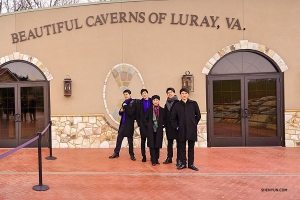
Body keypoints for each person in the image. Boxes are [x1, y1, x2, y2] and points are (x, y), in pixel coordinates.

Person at [170, 88, 201, 171]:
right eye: (182, 93)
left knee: (191, 147)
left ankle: (191, 164)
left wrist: (193, 124)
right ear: (180, 94)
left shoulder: (193, 104)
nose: (184, 95)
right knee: (182, 147)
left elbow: (198, 116)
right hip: (181, 130)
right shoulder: (177, 105)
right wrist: (176, 126)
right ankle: (183, 163)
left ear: (188, 94)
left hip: (191, 129)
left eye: (185, 93)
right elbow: (173, 118)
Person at [109, 89, 137, 161]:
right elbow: (122, 113)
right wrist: (120, 111)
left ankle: (132, 154)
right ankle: (116, 153)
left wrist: (125, 107)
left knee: (130, 140)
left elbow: (131, 113)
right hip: (123, 123)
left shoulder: (133, 102)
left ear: (130, 95)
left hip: (129, 124)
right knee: (119, 139)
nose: (125, 96)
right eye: (124, 94)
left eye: (127, 94)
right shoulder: (124, 103)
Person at [144, 95, 165, 166]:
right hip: (151, 130)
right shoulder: (149, 110)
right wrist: (149, 125)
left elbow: (165, 120)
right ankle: (153, 160)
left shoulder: (162, 110)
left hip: (158, 130)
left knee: (157, 145)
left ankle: (157, 159)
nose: (155, 101)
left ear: (159, 101)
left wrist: (163, 125)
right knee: (152, 145)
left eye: (157, 100)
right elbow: (145, 119)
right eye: (154, 100)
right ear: (152, 101)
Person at [163, 87, 180, 166]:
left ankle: (179, 159)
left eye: (171, 92)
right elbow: (165, 115)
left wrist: (178, 125)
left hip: (176, 126)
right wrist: (164, 124)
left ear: (174, 93)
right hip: (169, 127)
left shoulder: (178, 103)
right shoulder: (166, 104)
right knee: (169, 143)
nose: (169, 94)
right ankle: (169, 158)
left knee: (178, 143)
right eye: (168, 93)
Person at [136, 89, 152, 162]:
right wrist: (139, 123)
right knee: (143, 140)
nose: (144, 94)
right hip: (142, 124)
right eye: (143, 93)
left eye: (145, 93)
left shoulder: (152, 101)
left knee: (151, 140)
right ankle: (144, 156)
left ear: (147, 93)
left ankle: (152, 156)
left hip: (150, 123)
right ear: (141, 95)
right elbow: (137, 114)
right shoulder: (139, 103)